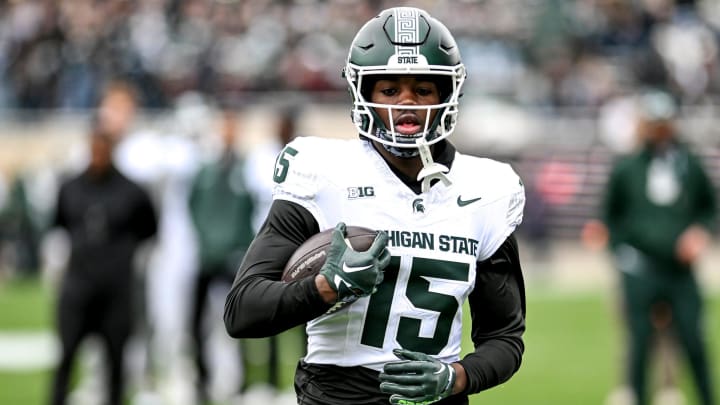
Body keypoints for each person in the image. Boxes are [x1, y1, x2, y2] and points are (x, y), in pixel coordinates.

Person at [225, 7, 527, 405]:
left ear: (446, 94)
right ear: (363, 93)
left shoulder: (486, 189)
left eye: (422, 89)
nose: (408, 104)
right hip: (337, 395)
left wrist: (456, 376)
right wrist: (326, 287)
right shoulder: (322, 173)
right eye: (389, 90)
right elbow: (243, 309)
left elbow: (504, 338)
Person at [588, 88, 717, 405]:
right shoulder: (627, 167)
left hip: (680, 271)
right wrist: (620, 253)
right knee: (639, 344)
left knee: (693, 340)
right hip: (639, 269)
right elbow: (609, 216)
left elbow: (708, 208)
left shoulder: (688, 163)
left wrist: (700, 233)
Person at [49, 122, 158, 405]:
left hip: (115, 290)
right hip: (78, 287)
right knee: (66, 355)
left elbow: (149, 229)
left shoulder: (132, 191)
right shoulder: (71, 188)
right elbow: (60, 225)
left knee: (116, 359)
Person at [188, 109, 255, 404]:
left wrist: (238, 246)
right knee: (196, 322)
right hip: (207, 257)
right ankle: (201, 379)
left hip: (234, 257)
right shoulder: (205, 170)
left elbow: (251, 212)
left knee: (238, 320)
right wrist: (206, 242)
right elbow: (193, 207)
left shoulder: (244, 169)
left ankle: (239, 380)